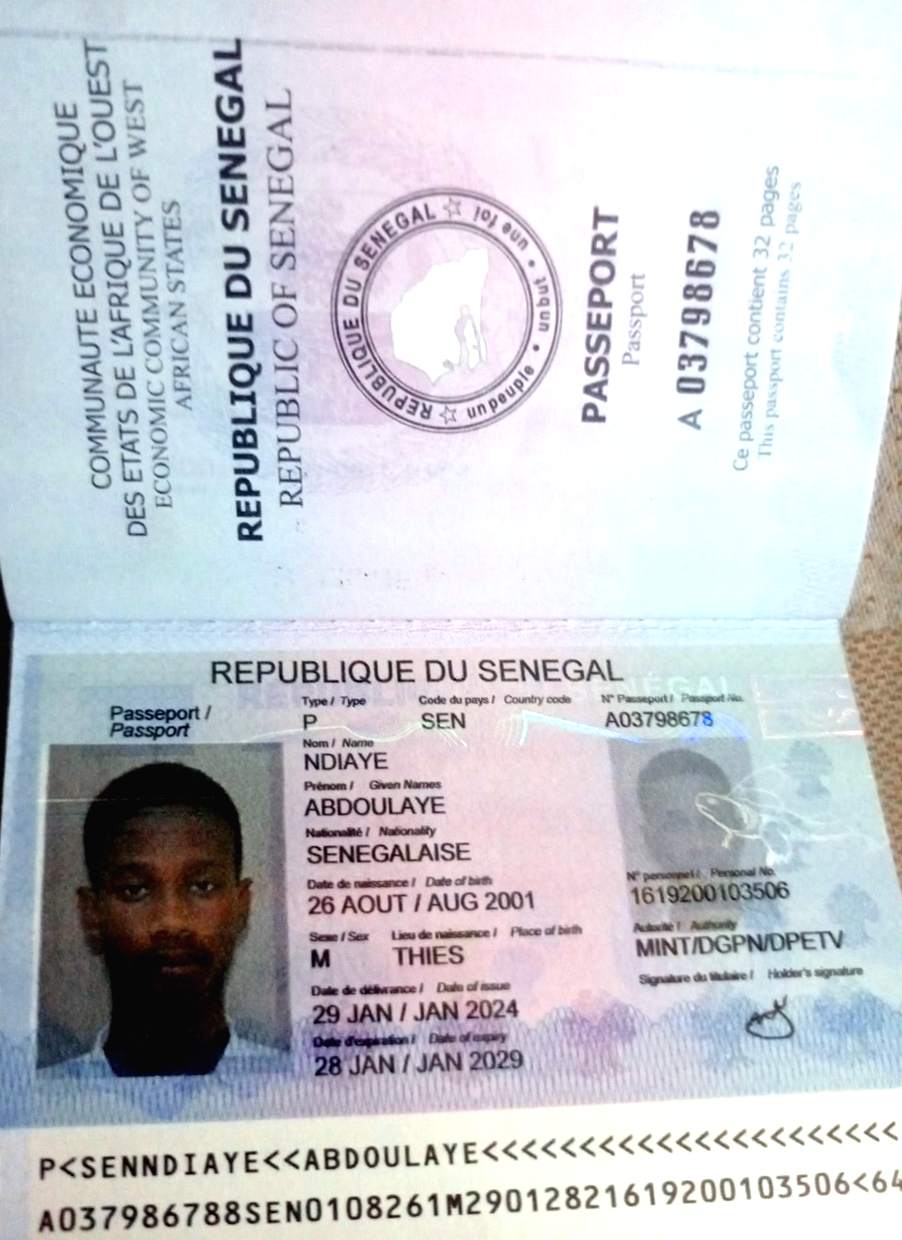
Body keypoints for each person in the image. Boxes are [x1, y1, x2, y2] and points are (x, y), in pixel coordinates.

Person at [61, 761, 261, 1077]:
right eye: (134, 890)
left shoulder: (302, 1090)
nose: (172, 921)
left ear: (241, 906)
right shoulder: (38, 1096)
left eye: (203, 886)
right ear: (92, 914)